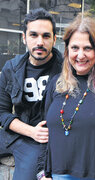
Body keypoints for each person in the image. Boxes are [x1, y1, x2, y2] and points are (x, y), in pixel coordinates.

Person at [38, 14, 95, 180]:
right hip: (60, 174)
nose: (80, 55)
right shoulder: (55, 85)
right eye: (75, 48)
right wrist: (44, 173)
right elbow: (47, 133)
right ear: (67, 50)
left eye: (87, 48)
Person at [0, 8, 63, 180]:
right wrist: (30, 131)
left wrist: (38, 134)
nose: (40, 42)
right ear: (24, 38)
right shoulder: (11, 68)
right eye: (33, 35)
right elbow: (2, 112)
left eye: (46, 36)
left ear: (54, 39)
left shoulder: (66, 70)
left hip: (41, 142)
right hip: (19, 132)